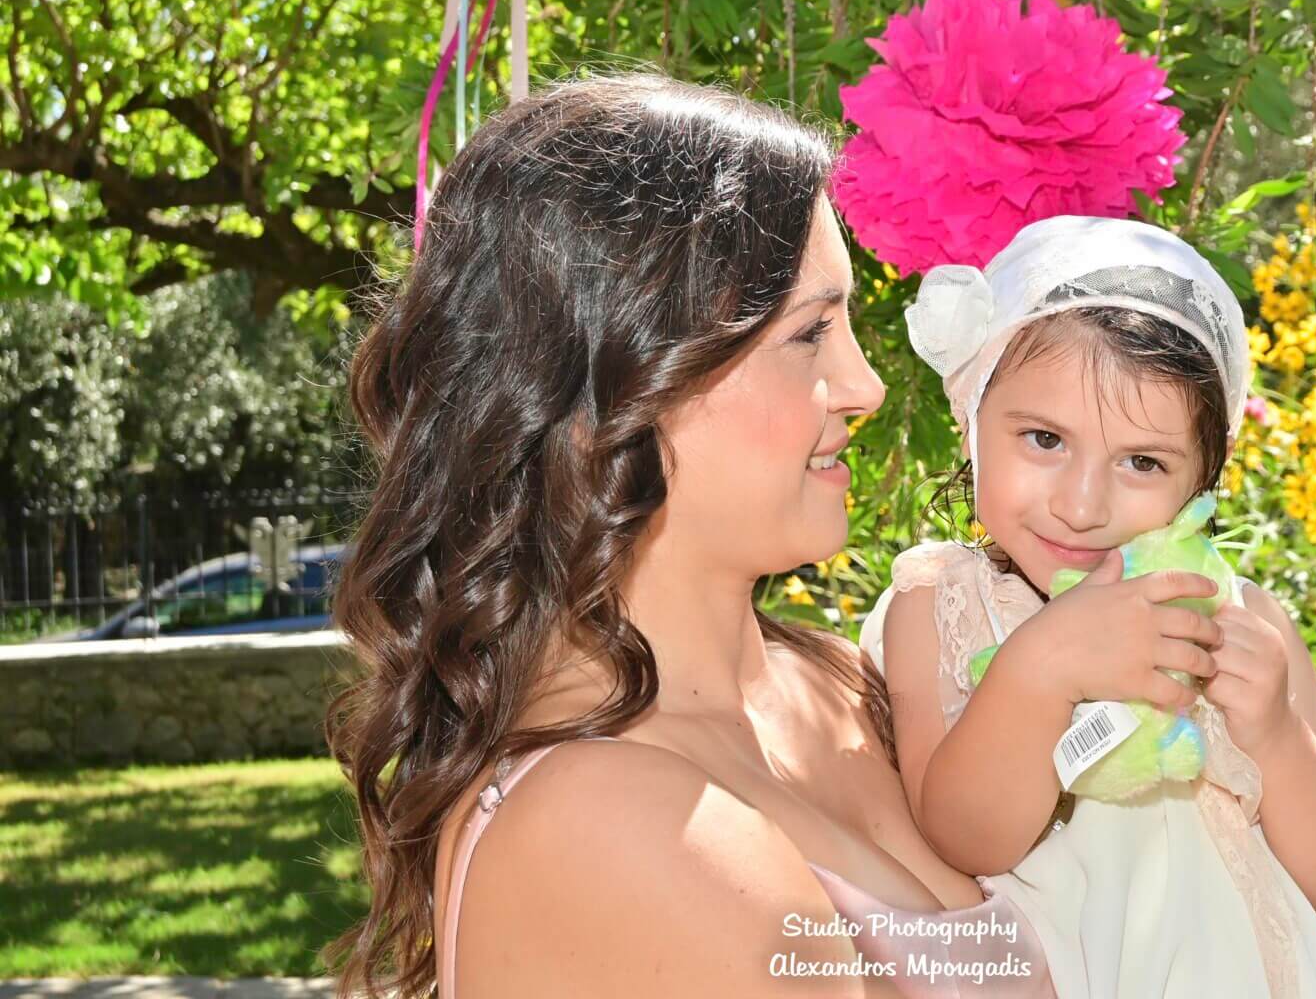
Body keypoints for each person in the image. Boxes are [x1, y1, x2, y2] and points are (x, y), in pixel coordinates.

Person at [322, 72, 1092, 997]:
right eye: (810, 335)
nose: (867, 386)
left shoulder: (838, 686)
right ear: (621, 381)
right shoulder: (605, 819)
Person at [859, 215, 1316, 999]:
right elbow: (965, 838)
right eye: (1045, 440)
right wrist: (1039, 672)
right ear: (971, 423)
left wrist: (1278, 740)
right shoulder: (946, 602)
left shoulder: (1242, 619)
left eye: (1142, 461)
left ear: (1203, 478)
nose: (1081, 506)